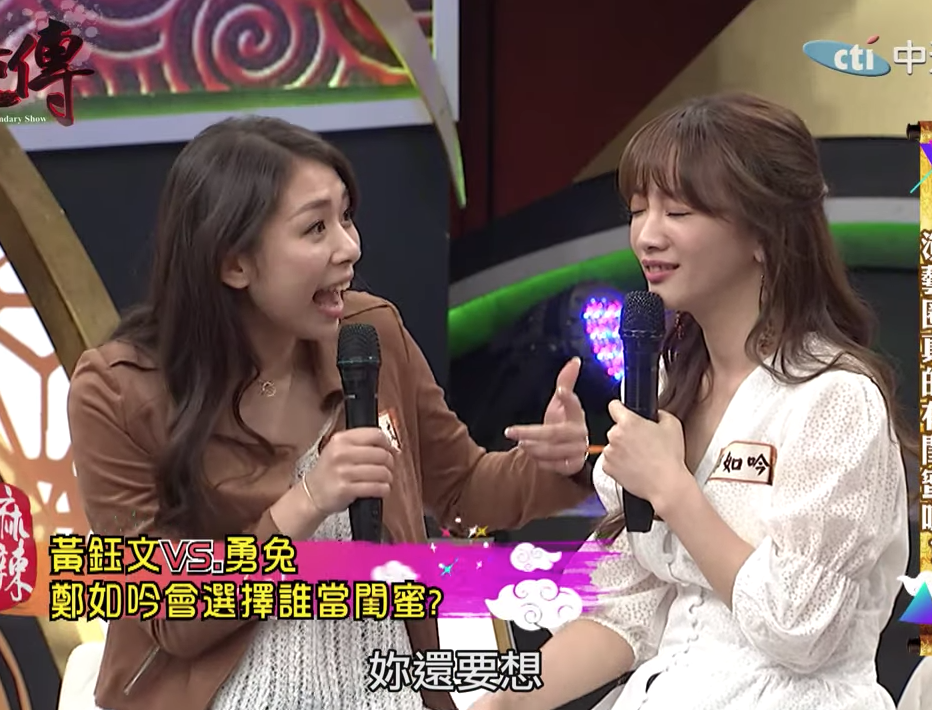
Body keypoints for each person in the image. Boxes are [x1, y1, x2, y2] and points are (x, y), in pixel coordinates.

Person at [67, 116, 596, 710]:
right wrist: (308, 500)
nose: (350, 247)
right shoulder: (119, 395)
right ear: (234, 263)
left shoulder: (370, 335)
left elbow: (464, 487)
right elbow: (172, 616)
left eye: (346, 217)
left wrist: (554, 463)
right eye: (316, 227)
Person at [473, 93, 914, 710]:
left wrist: (674, 490)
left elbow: (801, 628)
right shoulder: (665, 385)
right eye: (638, 210)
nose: (647, 236)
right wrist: (503, 702)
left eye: (678, 211)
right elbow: (624, 606)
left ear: (764, 233)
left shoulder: (835, 399)